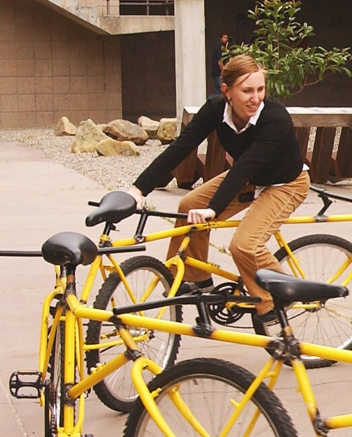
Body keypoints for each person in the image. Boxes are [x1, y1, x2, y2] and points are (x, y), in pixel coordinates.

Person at [126, 54, 308, 321]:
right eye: (247, 91)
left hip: (286, 182)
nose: (255, 98)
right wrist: (138, 190)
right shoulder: (214, 109)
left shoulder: (275, 118)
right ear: (227, 91)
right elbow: (181, 148)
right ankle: (194, 278)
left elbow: (248, 163)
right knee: (189, 206)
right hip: (249, 177)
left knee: (245, 246)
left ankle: (277, 297)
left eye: (260, 89)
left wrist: (214, 208)